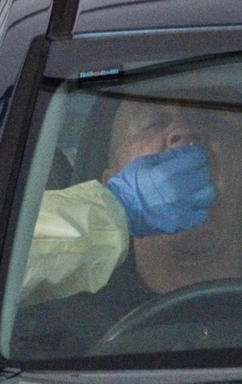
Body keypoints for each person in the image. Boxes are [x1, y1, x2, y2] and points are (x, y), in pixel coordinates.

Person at [12, 93, 242, 356]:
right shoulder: (41, 324)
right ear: (111, 182)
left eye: (211, 119)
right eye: (154, 122)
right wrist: (116, 208)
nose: (184, 132)